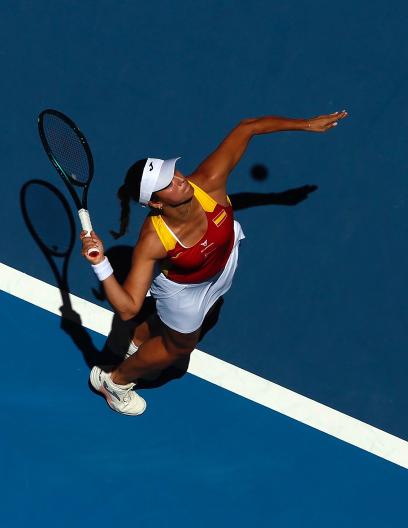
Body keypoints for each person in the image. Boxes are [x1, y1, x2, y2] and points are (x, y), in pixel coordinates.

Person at [81, 110, 348, 415]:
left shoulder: (208, 183)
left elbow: (249, 127)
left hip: (220, 266)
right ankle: (114, 381)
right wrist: (100, 263)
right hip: (184, 291)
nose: (180, 180)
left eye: (174, 172)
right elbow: (128, 306)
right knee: (178, 348)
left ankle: (138, 340)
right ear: (155, 203)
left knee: (213, 311)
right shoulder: (154, 241)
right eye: (168, 183)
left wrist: (307, 125)